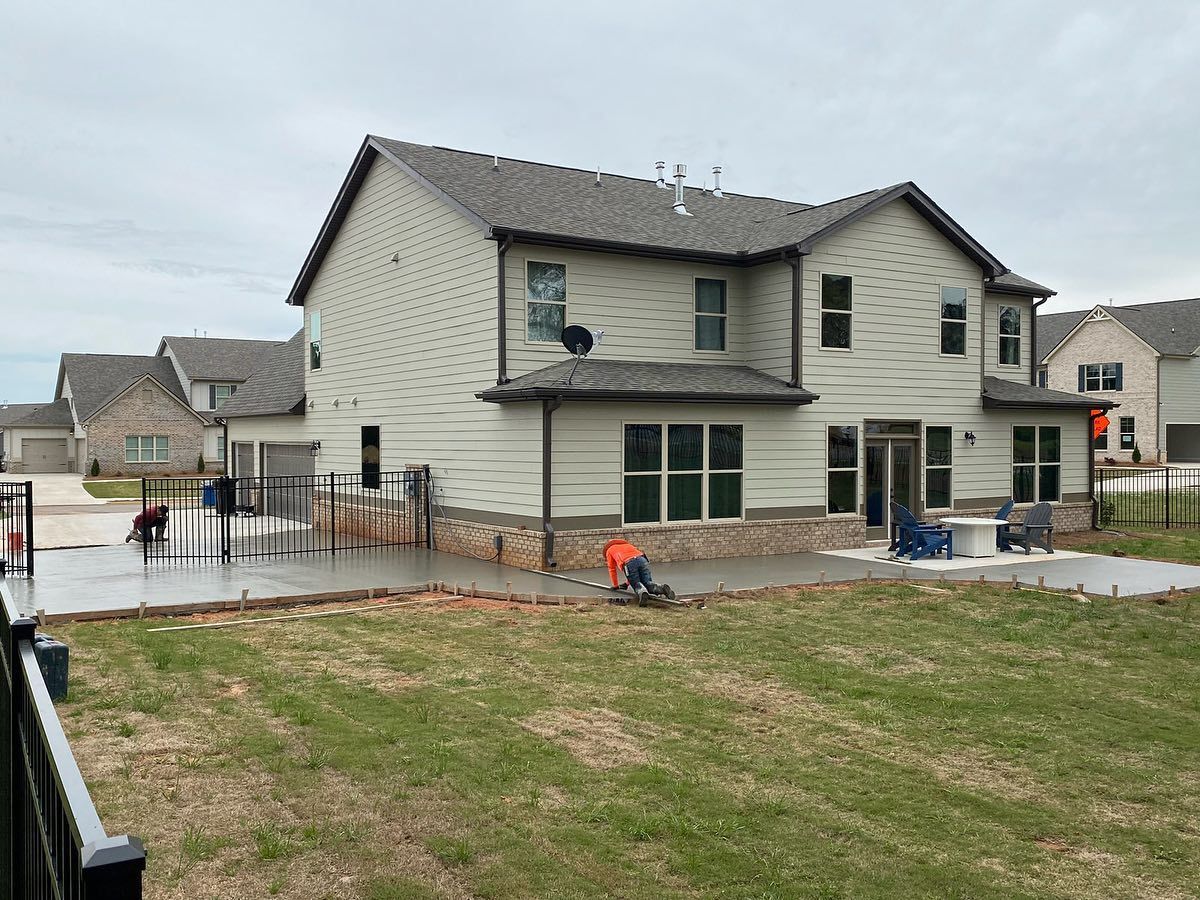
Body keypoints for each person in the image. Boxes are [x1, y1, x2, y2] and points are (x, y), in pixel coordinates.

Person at [603, 538, 676, 606]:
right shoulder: (628, 545)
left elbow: (612, 569)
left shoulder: (609, 551)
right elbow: (635, 561)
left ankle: (643, 593)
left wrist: (615, 585)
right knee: (647, 582)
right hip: (642, 559)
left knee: (636, 584)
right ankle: (662, 588)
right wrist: (626, 584)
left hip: (629, 563)